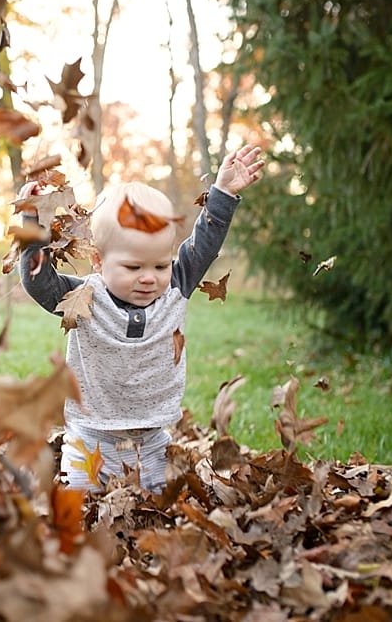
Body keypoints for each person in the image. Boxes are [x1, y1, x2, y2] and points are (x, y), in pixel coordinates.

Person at [18, 146, 264, 492]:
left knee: (151, 514)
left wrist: (222, 194)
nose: (149, 278)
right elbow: (37, 279)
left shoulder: (175, 287)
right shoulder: (84, 297)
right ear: (99, 262)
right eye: (133, 267)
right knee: (81, 516)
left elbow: (205, 245)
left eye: (161, 265)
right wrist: (34, 223)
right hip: (90, 439)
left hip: (151, 443)